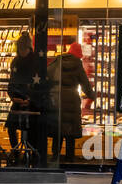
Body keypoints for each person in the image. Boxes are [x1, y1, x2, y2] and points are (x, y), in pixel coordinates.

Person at [49, 41, 94, 165]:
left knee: (58, 130)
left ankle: (55, 156)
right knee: (70, 132)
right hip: (72, 101)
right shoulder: (77, 64)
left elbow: (47, 74)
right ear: (78, 54)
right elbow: (84, 83)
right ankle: (69, 158)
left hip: (58, 99)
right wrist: (92, 96)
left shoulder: (58, 61)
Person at [6, 31, 46, 164]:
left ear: (28, 48)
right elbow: (12, 81)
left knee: (29, 128)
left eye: (23, 49)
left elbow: (39, 84)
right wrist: (13, 96)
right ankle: (16, 151)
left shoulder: (34, 62)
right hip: (21, 99)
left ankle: (28, 152)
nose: (22, 52)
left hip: (30, 101)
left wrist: (29, 98)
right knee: (12, 127)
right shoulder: (17, 61)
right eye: (20, 49)